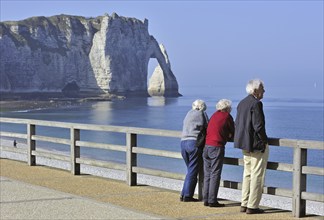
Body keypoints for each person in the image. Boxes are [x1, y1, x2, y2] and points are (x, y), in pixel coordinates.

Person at [234, 79, 269, 214]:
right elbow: (258, 126)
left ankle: (244, 203)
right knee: (257, 175)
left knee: (247, 173)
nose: (264, 91)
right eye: (262, 89)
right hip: (255, 144)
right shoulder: (256, 104)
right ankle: (252, 206)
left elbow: (238, 123)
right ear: (255, 91)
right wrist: (264, 141)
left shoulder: (242, 103)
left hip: (244, 144)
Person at [203, 99, 234, 207]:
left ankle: (206, 199)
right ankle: (212, 200)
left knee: (207, 174)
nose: (231, 109)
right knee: (215, 173)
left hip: (206, 146)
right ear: (227, 108)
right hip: (216, 146)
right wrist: (229, 135)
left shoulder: (214, 115)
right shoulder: (226, 116)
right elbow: (233, 131)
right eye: (230, 108)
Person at [180, 99, 208, 202]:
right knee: (193, 170)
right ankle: (187, 196)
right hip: (193, 143)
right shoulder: (202, 114)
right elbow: (207, 127)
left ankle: (183, 193)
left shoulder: (188, 114)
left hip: (183, 143)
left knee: (190, 169)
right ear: (202, 107)